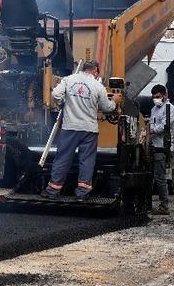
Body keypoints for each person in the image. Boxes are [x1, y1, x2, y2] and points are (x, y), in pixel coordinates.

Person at [41, 60, 121, 201]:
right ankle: (82, 193)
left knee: (63, 158)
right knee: (87, 161)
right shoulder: (98, 86)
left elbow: (55, 95)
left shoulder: (69, 80)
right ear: (95, 71)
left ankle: (53, 191)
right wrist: (115, 100)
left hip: (70, 127)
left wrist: (62, 104)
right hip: (89, 129)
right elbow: (107, 107)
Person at [148, 84, 174, 215]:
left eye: (158, 97)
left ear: (164, 95)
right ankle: (148, 203)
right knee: (152, 177)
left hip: (163, 147)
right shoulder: (154, 109)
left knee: (160, 177)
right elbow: (152, 124)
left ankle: (164, 206)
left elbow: (164, 126)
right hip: (154, 145)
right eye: (154, 97)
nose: (156, 99)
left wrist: (151, 131)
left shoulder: (169, 108)